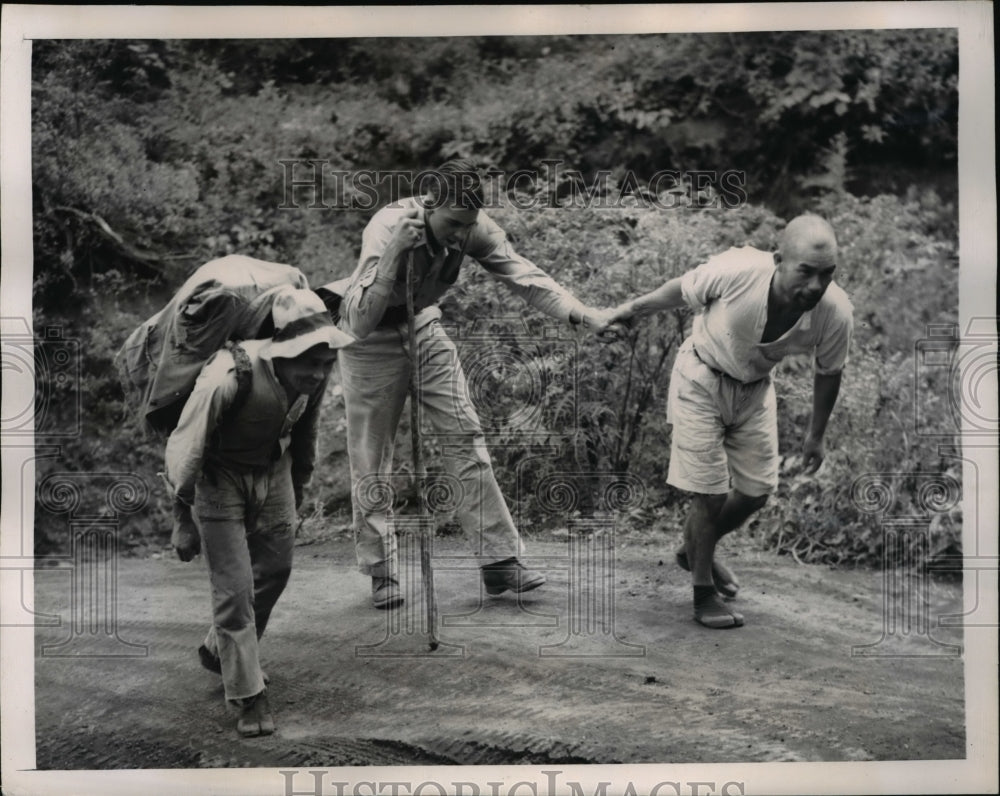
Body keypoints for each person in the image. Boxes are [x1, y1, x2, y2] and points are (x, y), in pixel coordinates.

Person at [329, 159, 612, 609]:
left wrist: (582, 313)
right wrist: (393, 255)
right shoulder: (388, 226)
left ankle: (500, 564)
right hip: (368, 340)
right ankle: (382, 571)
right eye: (453, 224)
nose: (461, 235)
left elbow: (524, 276)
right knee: (370, 455)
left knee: (465, 434)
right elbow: (358, 321)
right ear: (430, 205)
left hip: (422, 326)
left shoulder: (473, 224)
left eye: (468, 225)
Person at [606, 214, 853, 629]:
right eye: (805, 273)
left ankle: (695, 548)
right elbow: (681, 291)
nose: (815, 286)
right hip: (701, 377)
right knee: (710, 492)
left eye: (826, 275)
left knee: (757, 490)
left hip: (755, 390)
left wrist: (816, 435)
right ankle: (703, 592)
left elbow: (829, 371)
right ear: (779, 260)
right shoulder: (739, 271)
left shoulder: (835, 312)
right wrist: (630, 311)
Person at [163, 287, 354, 735]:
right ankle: (248, 696)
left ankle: (219, 649)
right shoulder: (229, 376)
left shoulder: (312, 377)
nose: (318, 373)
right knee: (235, 590)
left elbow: (304, 438)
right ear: (284, 352)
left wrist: (299, 491)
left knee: (277, 568)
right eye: (311, 362)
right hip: (219, 478)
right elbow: (186, 449)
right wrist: (181, 520)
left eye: (326, 364)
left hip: (273, 470)